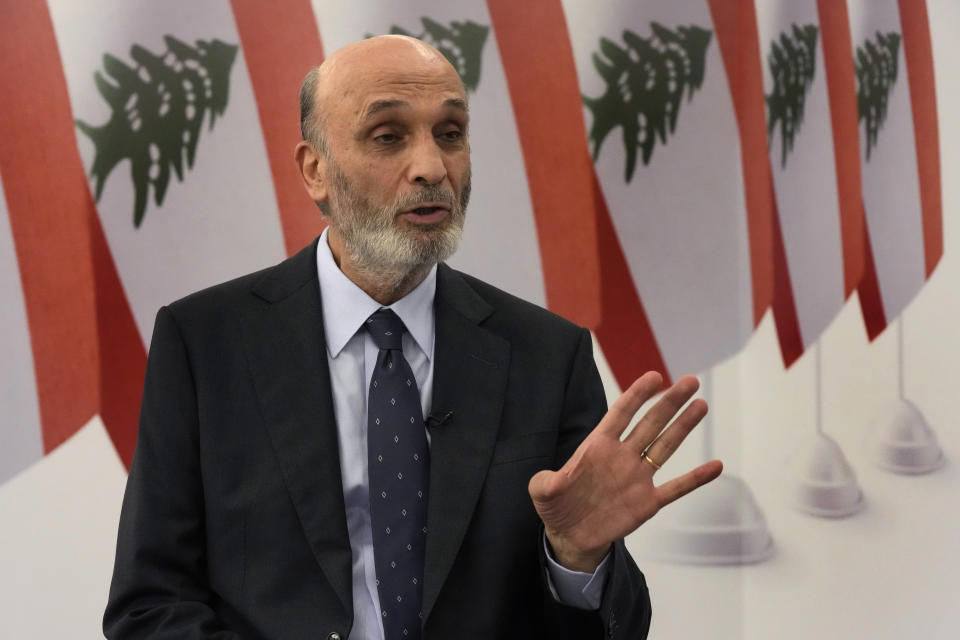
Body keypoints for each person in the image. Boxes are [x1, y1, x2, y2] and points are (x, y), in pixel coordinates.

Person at [103, 35, 722, 640]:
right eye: (388, 137)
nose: (431, 167)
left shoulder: (546, 355)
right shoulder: (205, 342)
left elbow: (617, 625)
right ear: (315, 170)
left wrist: (577, 560)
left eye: (450, 134)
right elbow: (150, 604)